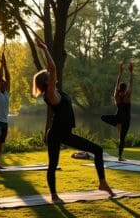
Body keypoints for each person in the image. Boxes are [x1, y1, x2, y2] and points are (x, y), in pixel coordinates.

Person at [32, 37, 113, 203]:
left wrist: (46, 50)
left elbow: (52, 69)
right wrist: (45, 48)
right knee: (53, 164)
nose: (52, 74)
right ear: (47, 82)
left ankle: (102, 183)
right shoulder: (50, 94)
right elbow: (52, 68)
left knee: (97, 150)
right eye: (49, 76)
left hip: (65, 133)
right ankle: (54, 195)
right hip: (55, 134)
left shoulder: (57, 92)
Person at [101, 62, 133, 161]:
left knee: (103, 117)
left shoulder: (117, 96)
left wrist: (120, 73)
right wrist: (131, 72)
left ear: (119, 89)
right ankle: (120, 157)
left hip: (118, 117)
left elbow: (116, 84)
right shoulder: (127, 96)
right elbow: (131, 83)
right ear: (126, 89)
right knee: (122, 138)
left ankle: (116, 124)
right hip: (126, 119)